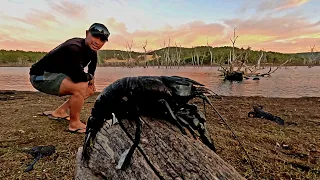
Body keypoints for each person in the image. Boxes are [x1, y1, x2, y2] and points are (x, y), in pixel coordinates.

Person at [29, 23, 110, 134]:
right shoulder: (74, 47)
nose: (98, 42)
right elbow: (78, 77)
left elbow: (92, 68)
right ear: (87, 33)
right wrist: (89, 78)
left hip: (58, 75)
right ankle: (74, 124)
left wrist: (92, 80)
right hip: (40, 77)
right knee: (81, 85)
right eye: (95, 36)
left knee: (89, 89)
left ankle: (60, 112)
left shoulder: (92, 51)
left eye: (102, 40)